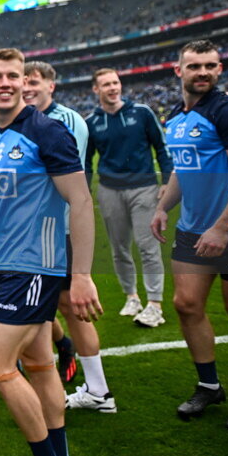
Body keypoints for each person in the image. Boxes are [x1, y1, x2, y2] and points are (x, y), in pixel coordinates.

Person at [0, 48, 101, 456]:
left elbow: (81, 201)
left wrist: (83, 274)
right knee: (38, 364)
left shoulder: (47, 132)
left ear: (23, 82)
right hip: (1, 265)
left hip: (35, 266)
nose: (4, 83)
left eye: (11, 76)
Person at [150, 40, 228, 430]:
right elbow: (182, 169)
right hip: (192, 230)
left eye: (210, 66)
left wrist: (221, 226)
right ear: (178, 71)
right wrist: (162, 207)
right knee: (186, 305)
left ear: (219, 70)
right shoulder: (175, 116)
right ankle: (209, 385)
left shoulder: (226, 111)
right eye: (194, 65)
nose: (203, 72)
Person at [24, 60, 113, 409]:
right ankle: (92, 389)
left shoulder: (65, 120)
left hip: (58, 231)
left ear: (51, 85)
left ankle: (96, 390)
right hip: (40, 234)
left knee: (70, 309)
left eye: (34, 82)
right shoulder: (28, 120)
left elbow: (59, 177)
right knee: (56, 308)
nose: (27, 88)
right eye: (24, 82)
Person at [86, 68, 172, 327]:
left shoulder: (142, 112)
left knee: (148, 246)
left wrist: (167, 181)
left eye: (116, 83)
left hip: (143, 187)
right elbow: (87, 161)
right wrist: (83, 193)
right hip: (109, 190)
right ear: (96, 89)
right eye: (106, 84)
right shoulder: (92, 122)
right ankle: (131, 297)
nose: (113, 88)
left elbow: (162, 147)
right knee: (119, 248)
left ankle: (155, 304)